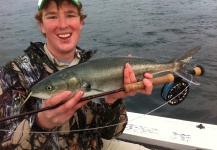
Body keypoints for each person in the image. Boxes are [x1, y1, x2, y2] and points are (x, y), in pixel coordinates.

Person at [0, 0, 153, 149]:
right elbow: (4, 142)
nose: (63, 25)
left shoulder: (93, 62)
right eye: (52, 16)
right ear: (42, 25)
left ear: (81, 22)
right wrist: (42, 124)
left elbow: (111, 133)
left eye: (70, 15)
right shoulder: (14, 73)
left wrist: (112, 100)